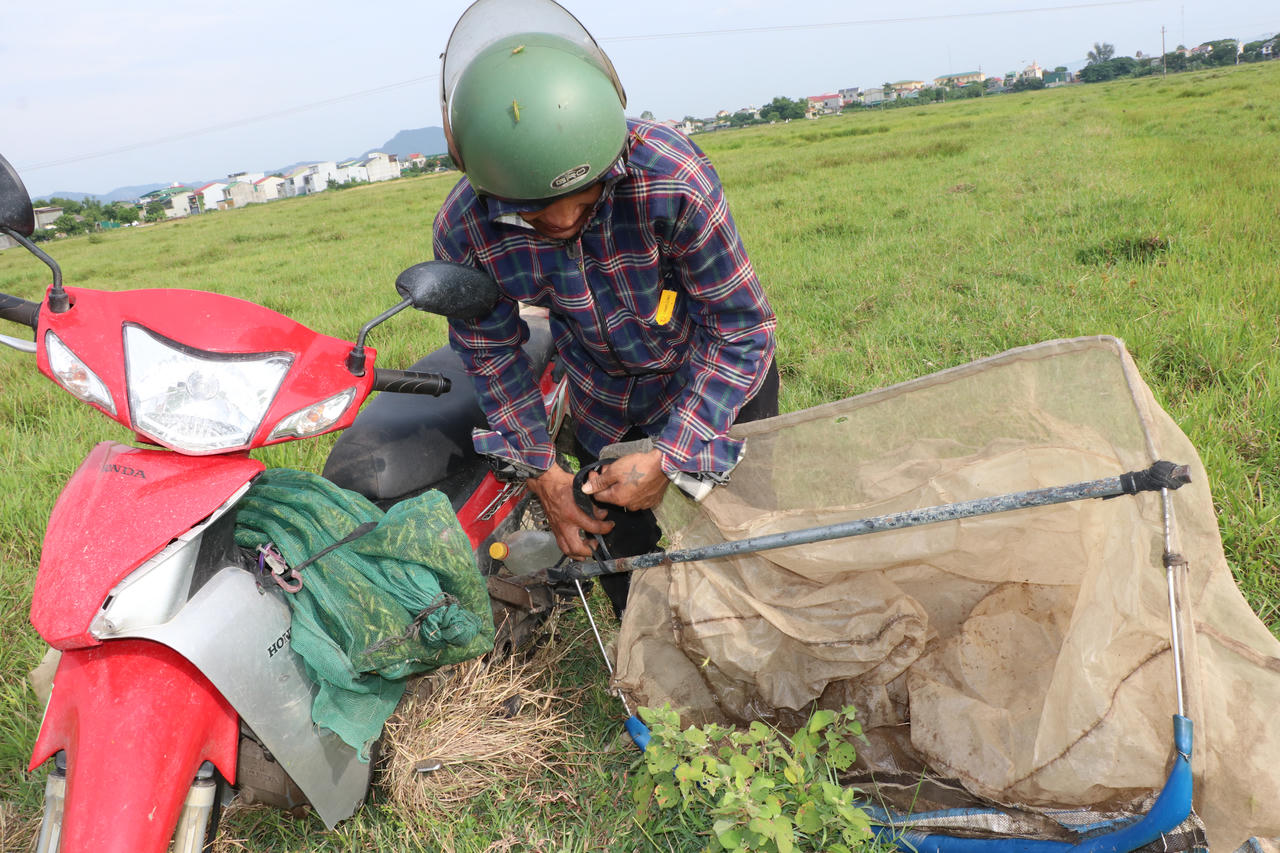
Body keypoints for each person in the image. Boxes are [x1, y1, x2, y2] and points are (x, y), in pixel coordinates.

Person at [433, 0, 777, 614]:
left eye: (584, 204)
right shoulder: (466, 230)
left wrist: (675, 453)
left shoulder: (669, 177)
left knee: (749, 539)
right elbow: (491, 357)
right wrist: (544, 474)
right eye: (534, 214)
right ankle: (659, 691)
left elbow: (739, 327)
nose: (563, 224)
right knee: (626, 570)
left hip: (712, 377)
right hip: (603, 401)